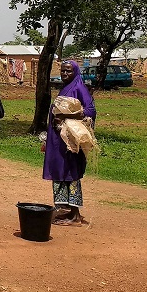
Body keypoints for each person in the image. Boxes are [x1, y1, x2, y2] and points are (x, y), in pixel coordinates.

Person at [41, 60, 95, 225]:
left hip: (70, 142)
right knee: (60, 170)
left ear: (75, 72)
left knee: (71, 173)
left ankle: (75, 215)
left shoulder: (79, 87)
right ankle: (65, 210)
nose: (65, 74)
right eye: (63, 71)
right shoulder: (65, 88)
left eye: (68, 71)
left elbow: (90, 110)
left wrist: (66, 116)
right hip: (59, 141)